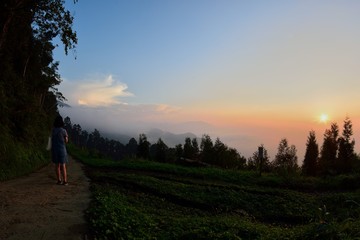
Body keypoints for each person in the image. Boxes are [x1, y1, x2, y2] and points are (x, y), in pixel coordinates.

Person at [51, 115, 69, 185]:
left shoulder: (53, 130)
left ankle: (59, 180)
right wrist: (65, 138)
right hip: (61, 149)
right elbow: (66, 141)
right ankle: (65, 181)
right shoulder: (63, 131)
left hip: (55, 149)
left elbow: (52, 139)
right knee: (63, 165)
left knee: (57, 165)